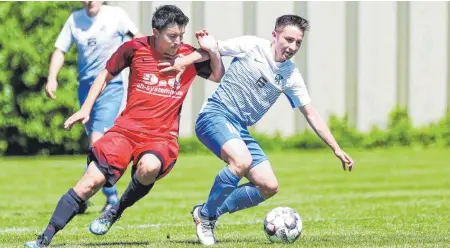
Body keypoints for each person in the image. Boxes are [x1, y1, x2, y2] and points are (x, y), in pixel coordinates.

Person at [24, 5, 224, 247]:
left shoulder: (186, 55)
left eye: (181, 35)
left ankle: (115, 210)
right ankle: (45, 238)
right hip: (126, 131)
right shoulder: (135, 48)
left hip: (160, 137)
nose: (177, 41)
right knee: (89, 182)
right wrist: (86, 108)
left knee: (149, 166)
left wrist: (208, 51)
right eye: (172, 36)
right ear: (156, 32)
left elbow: (217, 74)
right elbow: (104, 75)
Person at [168, 14, 355, 245]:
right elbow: (211, 49)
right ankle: (206, 218)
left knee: (268, 186)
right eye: (288, 39)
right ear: (274, 35)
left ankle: (207, 211)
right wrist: (183, 61)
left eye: (298, 43)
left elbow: (311, 113)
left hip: (240, 129)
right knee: (241, 161)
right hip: (215, 115)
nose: (292, 47)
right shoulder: (251, 46)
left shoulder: (291, 76)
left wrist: (336, 148)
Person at [46, 1, 141, 213]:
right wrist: (52, 78)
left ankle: (106, 196)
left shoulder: (116, 15)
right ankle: (85, 194)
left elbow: (139, 39)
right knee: (95, 146)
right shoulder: (75, 20)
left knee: (96, 140)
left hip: (112, 85)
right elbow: (60, 50)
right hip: (86, 88)